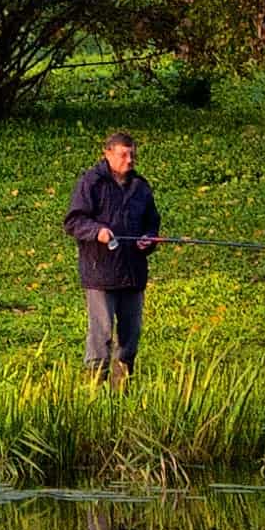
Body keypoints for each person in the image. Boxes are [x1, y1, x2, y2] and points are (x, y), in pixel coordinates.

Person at [63, 131, 161, 381]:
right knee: (101, 333)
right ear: (107, 154)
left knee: (131, 336)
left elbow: (152, 223)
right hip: (100, 274)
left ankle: (122, 390)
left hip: (133, 274)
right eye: (123, 154)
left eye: (133, 155)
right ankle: (95, 390)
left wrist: (148, 240)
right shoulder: (91, 182)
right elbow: (73, 222)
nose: (129, 160)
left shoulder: (141, 186)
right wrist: (98, 232)